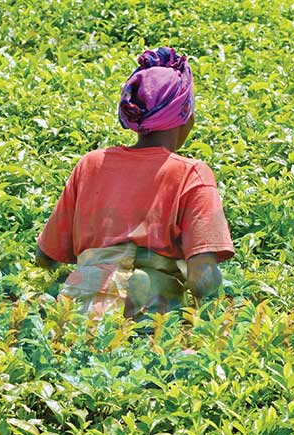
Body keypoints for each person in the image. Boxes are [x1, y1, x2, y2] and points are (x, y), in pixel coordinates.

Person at [36, 47, 234, 321]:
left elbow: (45, 256)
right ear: (185, 114)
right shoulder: (192, 174)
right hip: (148, 320)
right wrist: (216, 330)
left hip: (75, 316)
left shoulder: (91, 164)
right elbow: (204, 279)